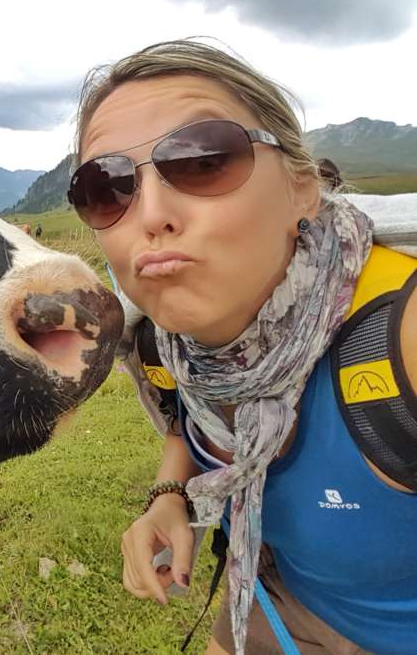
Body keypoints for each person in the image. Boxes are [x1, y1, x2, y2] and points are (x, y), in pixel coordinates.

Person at [68, 40, 417, 654]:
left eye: (204, 159)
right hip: (263, 595)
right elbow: (189, 418)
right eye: (107, 186)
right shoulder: (162, 341)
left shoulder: (401, 334)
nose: (151, 214)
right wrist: (170, 495)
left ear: (302, 190)